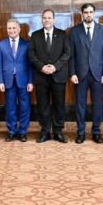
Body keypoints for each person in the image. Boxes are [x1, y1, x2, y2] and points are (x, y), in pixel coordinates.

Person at [69, 3, 103, 144]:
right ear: (82, 14)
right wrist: (72, 73)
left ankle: (96, 132)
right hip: (80, 74)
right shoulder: (74, 31)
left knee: (97, 105)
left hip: (97, 74)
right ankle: (80, 132)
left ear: (94, 13)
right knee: (80, 105)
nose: (88, 14)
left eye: (91, 12)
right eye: (86, 12)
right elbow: (71, 55)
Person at [28, 9, 72, 143]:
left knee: (59, 104)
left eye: (49, 18)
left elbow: (67, 53)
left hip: (58, 75)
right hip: (41, 76)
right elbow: (31, 54)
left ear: (54, 19)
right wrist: (42, 67)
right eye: (44, 18)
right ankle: (45, 131)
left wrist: (55, 67)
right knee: (43, 105)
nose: (47, 20)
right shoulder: (35, 35)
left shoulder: (63, 34)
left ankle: (58, 131)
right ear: (41, 19)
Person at [0, 19, 33, 142]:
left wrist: (31, 81)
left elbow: (31, 65)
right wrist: (0, 81)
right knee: (10, 107)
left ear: (19, 29)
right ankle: (12, 131)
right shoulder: (1, 45)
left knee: (24, 106)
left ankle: (23, 131)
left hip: (24, 80)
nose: (11, 30)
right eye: (9, 28)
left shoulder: (27, 44)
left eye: (14, 28)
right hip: (8, 81)